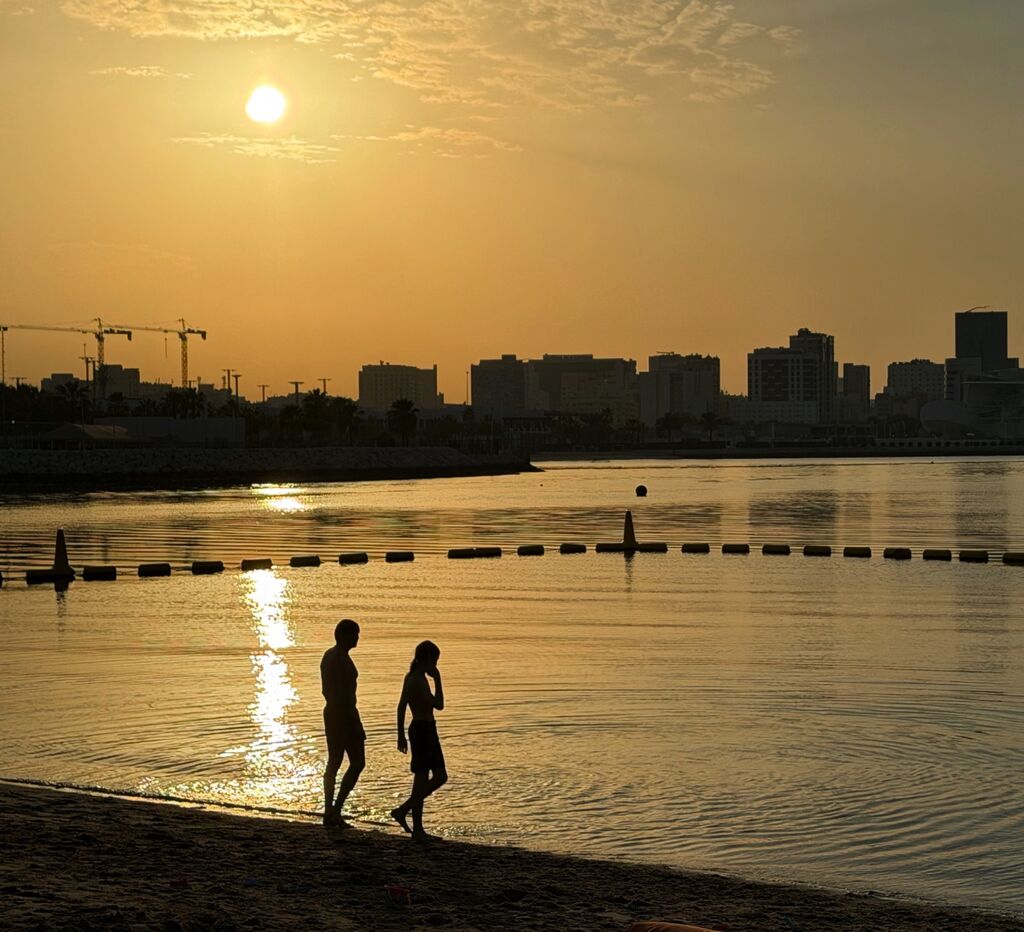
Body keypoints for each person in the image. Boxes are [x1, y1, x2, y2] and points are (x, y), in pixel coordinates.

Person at [391, 640, 447, 840]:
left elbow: (436, 706)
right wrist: (400, 735)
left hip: (427, 728)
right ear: (428, 660)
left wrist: (401, 734)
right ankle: (416, 828)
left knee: (439, 776)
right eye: (435, 661)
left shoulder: (418, 678)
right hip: (421, 729)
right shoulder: (415, 679)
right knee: (423, 779)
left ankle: (405, 812)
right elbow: (437, 704)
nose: (436, 666)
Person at [321, 618, 365, 827]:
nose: (357, 638)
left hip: (334, 713)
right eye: (354, 634)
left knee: (335, 761)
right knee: (355, 762)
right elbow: (343, 693)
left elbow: (327, 691)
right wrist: (353, 722)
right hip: (343, 714)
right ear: (344, 635)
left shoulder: (332, 656)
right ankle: (334, 810)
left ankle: (331, 810)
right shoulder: (337, 658)